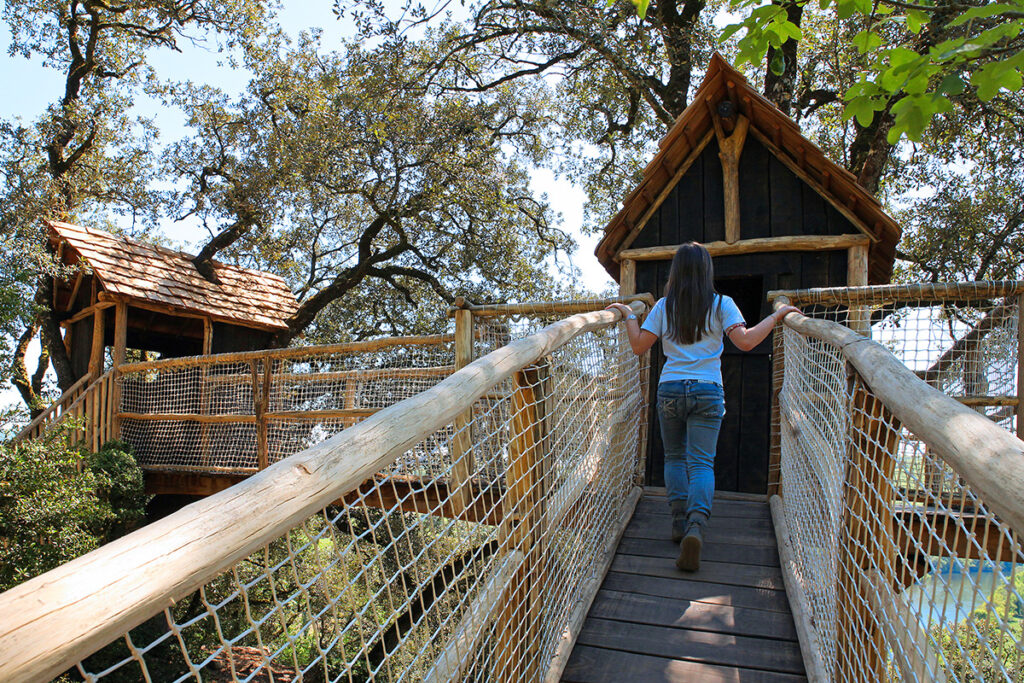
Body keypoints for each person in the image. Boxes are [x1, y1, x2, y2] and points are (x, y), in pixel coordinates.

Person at [607, 242, 799, 572]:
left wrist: (628, 315)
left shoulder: (664, 306)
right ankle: (696, 527)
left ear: (675, 272)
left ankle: (679, 521)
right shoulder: (723, 304)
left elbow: (639, 347)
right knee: (701, 463)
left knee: (674, 457)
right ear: (707, 271)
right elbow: (748, 341)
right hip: (708, 390)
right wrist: (778, 315)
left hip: (670, 389)